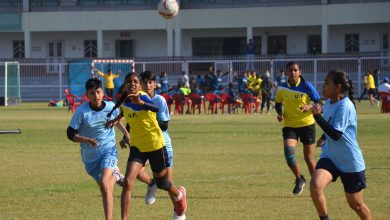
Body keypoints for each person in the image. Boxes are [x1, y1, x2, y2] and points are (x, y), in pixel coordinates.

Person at [105, 72, 187, 220]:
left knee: (163, 183)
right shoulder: (123, 100)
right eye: (129, 82)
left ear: (139, 85)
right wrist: (115, 121)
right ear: (124, 85)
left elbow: (154, 108)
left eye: (135, 82)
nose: (133, 84)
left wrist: (142, 103)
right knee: (128, 182)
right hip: (137, 147)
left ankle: (179, 195)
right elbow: (124, 113)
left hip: (155, 145)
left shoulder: (143, 96)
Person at [310, 70, 372, 220]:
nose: (323, 86)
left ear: (337, 87)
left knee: (356, 205)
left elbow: (337, 135)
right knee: (315, 186)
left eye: (326, 83)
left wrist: (317, 117)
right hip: (330, 157)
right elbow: (332, 125)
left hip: (350, 162)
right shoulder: (329, 103)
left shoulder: (346, 106)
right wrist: (324, 137)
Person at [66, 78, 129, 220]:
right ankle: (117, 175)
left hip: (108, 150)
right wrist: (85, 139)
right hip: (90, 159)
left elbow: (116, 121)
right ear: (87, 95)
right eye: (92, 93)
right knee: (105, 186)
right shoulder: (81, 111)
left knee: (105, 184)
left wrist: (127, 134)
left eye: (99, 92)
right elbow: (70, 133)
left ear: (103, 92)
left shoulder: (111, 106)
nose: (96, 96)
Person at [275, 61, 321, 195]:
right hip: (290, 125)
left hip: (307, 124)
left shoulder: (307, 86)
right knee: (289, 155)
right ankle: (299, 178)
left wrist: (310, 107)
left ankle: (316, 186)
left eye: (295, 70)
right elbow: (278, 104)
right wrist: (279, 113)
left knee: (309, 158)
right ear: (286, 73)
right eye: (290, 70)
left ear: (300, 72)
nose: (293, 73)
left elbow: (319, 102)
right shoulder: (281, 88)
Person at [140, 71, 179, 212]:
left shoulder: (159, 100)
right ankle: (152, 184)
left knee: (167, 183)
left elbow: (164, 125)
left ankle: (179, 210)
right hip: (144, 143)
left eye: (150, 82)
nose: (147, 85)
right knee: (136, 172)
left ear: (155, 85)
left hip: (162, 143)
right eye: (144, 82)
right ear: (140, 84)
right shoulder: (135, 99)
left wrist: (148, 119)